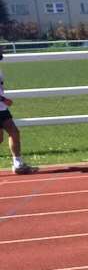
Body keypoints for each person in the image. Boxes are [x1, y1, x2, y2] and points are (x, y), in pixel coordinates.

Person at [0, 47, 38, 175]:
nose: (2, 53)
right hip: (1, 105)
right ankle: (18, 163)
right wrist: (4, 99)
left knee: (14, 132)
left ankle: (18, 164)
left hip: (2, 108)